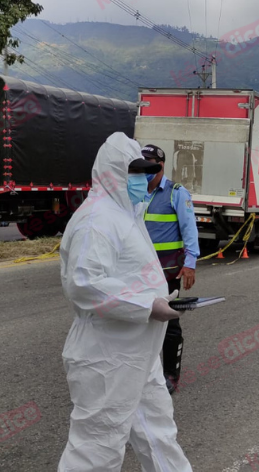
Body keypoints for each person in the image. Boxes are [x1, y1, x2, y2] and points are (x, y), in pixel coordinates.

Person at [58, 132, 192, 472]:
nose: (141, 180)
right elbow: (85, 283)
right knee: (97, 448)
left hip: (137, 354)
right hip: (107, 357)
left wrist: (159, 300)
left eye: (144, 172)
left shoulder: (125, 213)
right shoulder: (97, 220)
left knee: (158, 434)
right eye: (134, 172)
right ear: (112, 172)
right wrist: (147, 306)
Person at [141, 144, 200, 395]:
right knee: (140, 320)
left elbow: (190, 231)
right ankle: (144, 372)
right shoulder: (136, 192)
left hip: (168, 272)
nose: (145, 169)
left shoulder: (177, 193)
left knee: (169, 324)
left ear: (161, 165)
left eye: (151, 163)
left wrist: (190, 264)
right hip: (140, 272)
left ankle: (170, 375)